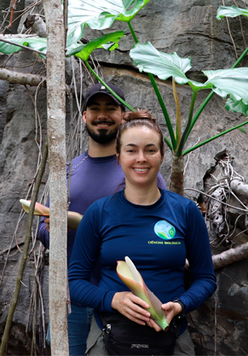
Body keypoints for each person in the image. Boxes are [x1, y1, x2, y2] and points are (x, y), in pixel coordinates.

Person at [68, 109, 216, 355]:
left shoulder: (186, 211)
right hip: (109, 336)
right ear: (118, 156)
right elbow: (75, 282)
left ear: (161, 155)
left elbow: (206, 278)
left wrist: (179, 305)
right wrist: (113, 300)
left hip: (171, 337)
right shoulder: (99, 213)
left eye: (150, 150)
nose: (141, 158)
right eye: (131, 150)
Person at [37, 84, 166, 355]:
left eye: (111, 109)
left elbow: (152, 231)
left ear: (122, 115)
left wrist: (82, 224)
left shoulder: (137, 169)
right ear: (84, 116)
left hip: (123, 300)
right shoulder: (68, 170)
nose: (102, 115)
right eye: (95, 109)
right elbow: (42, 229)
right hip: (71, 298)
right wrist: (54, 229)